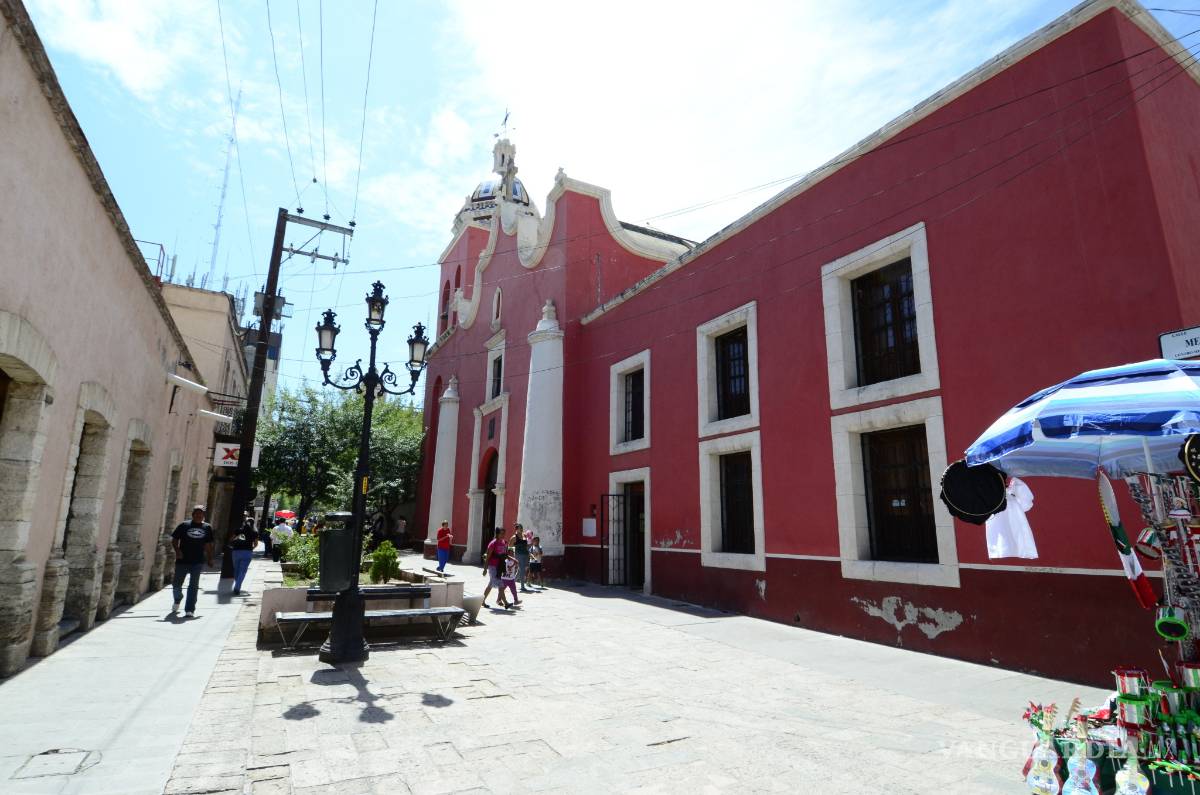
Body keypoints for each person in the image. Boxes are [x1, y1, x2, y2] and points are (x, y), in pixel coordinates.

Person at [171, 505, 214, 617]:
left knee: (193, 586)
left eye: (201, 514)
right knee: (176, 584)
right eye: (197, 513)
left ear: (204, 515)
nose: (199, 515)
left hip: (197, 561)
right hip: (182, 560)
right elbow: (174, 540)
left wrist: (210, 558)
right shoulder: (184, 525)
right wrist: (178, 551)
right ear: (193, 514)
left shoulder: (207, 527)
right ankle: (178, 598)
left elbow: (208, 544)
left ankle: (190, 610)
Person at [229, 511, 258, 595]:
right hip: (247, 552)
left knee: (236, 570)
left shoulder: (239, 530)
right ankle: (237, 586)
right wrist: (251, 548)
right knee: (243, 571)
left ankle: (237, 585)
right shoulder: (254, 532)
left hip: (236, 552)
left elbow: (231, 539)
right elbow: (256, 544)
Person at [481, 528, 510, 609]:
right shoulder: (493, 543)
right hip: (492, 566)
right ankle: (506, 603)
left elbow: (504, 554)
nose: (503, 535)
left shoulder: (504, 543)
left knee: (490, 584)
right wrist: (485, 569)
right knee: (501, 584)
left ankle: (482, 601)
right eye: (501, 533)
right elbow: (488, 557)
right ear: (497, 534)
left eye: (504, 533)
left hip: (499, 566)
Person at [511, 524, 532, 593]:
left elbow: (526, 546)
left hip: (526, 554)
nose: (521, 529)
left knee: (521, 570)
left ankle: (512, 582)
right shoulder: (514, 537)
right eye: (520, 528)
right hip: (519, 555)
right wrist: (512, 555)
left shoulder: (524, 536)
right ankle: (522, 586)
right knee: (522, 570)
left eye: (522, 528)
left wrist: (530, 545)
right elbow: (509, 546)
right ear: (516, 529)